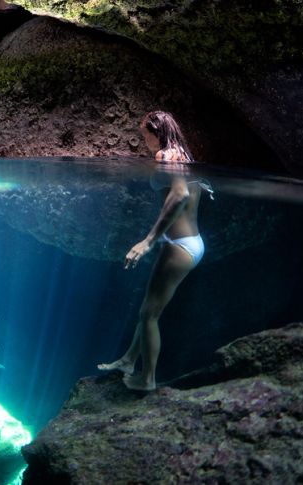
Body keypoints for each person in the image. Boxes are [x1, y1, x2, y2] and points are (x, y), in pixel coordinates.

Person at [98, 110, 211, 391]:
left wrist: (147, 241)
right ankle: (128, 360)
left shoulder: (166, 156)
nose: (143, 140)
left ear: (155, 132)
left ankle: (147, 379)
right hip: (191, 243)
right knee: (149, 308)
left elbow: (180, 195)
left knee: (149, 315)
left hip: (179, 247)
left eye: (144, 134)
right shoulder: (183, 154)